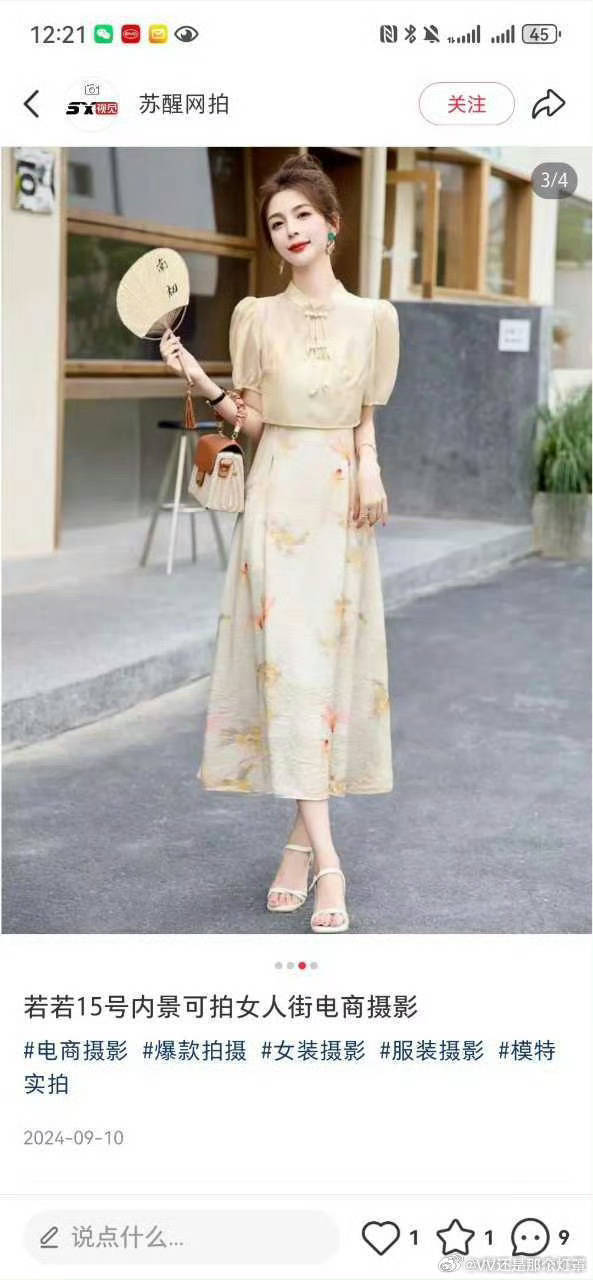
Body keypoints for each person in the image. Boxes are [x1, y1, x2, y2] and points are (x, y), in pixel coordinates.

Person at [160, 152, 399, 933]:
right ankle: (329, 862)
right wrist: (201, 381)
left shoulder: (374, 318)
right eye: (275, 222)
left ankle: (298, 850)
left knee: (323, 679)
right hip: (276, 502)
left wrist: (369, 468)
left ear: (332, 223)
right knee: (290, 672)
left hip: (341, 505)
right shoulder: (255, 316)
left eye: (301, 215)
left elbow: (364, 415)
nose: (289, 229)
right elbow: (254, 422)